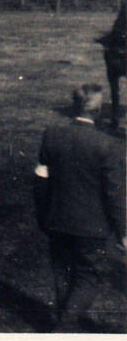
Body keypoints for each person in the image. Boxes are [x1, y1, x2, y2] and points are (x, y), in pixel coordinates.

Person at [33, 84, 125, 332]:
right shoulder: (107, 145)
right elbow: (115, 193)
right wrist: (123, 232)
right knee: (87, 278)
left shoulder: (51, 135)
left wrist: (43, 216)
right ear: (98, 111)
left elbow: (40, 180)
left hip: (57, 220)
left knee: (62, 274)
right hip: (91, 228)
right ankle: (63, 329)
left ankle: (65, 326)